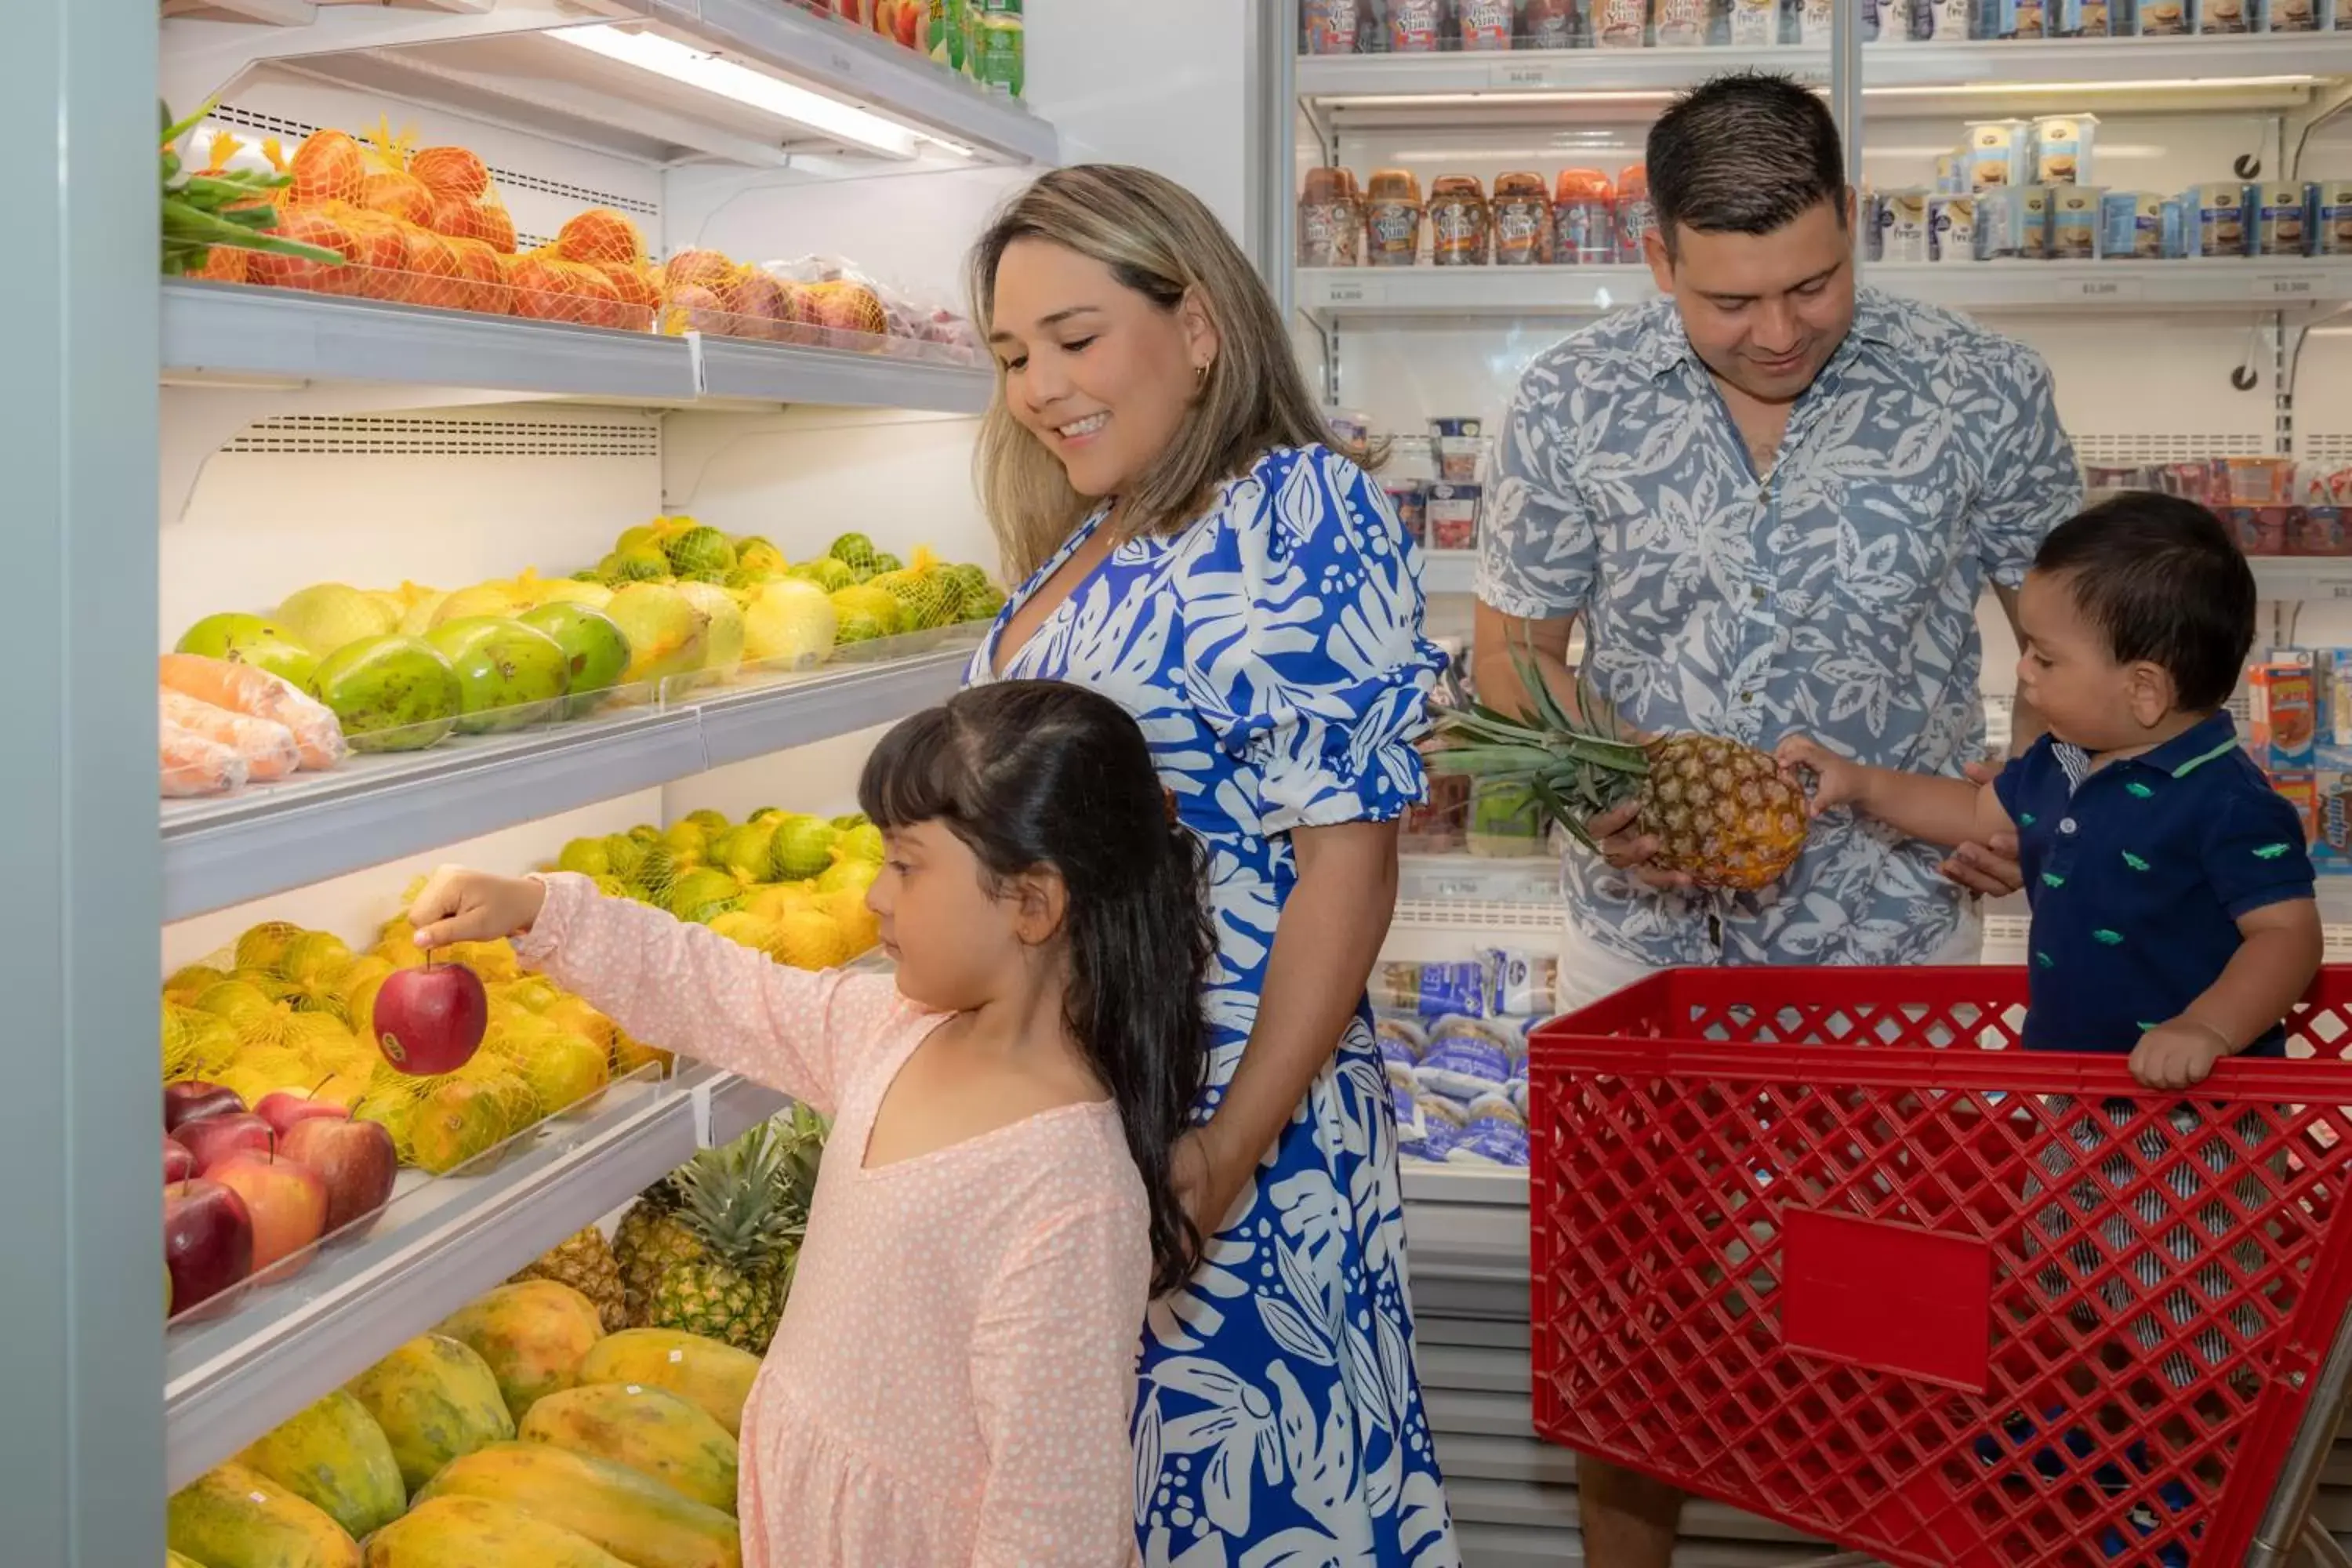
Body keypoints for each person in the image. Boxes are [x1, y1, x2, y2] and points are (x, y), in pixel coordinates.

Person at [1473, 72, 2082, 1566]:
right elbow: (1517, 659)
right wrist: (1597, 791)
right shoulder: (1568, 403)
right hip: (1640, 955)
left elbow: (2077, 637)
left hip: (1893, 952)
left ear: (1854, 226)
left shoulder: (1982, 389)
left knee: (1897, 1324)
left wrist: (2026, 793)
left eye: (1814, 282)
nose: (1780, 328)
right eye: (1732, 297)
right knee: (1634, 1325)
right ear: (1660, 258)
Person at [403, 681, 1218, 1568]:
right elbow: (720, 989)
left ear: (1032, 902)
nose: (873, 895)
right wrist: (540, 909)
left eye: (905, 864)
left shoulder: (1068, 1191)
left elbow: (1056, 1526)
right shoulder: (897, 1034)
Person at [967, 164, 1460, 1566]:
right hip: (1086, 1130)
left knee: (1252, 1510)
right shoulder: (1081, 536)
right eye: (1012, 355)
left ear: (1197, 327)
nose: (1040, 386)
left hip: (1229, 1135)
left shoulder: (1296, 506)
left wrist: (1224, 1152)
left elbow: (1348, 867)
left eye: (1075, 337)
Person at [1780, 492, 2323, 1077]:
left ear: (2143, 690)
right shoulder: (2060, 759)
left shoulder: (2228, 802)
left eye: (2044, 657)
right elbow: (1974, 812)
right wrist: (1861, 783)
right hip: (2070, 1085)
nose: (2022, 669)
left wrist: (2209, 1027)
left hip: (2201, 1111)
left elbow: (2286, 935)